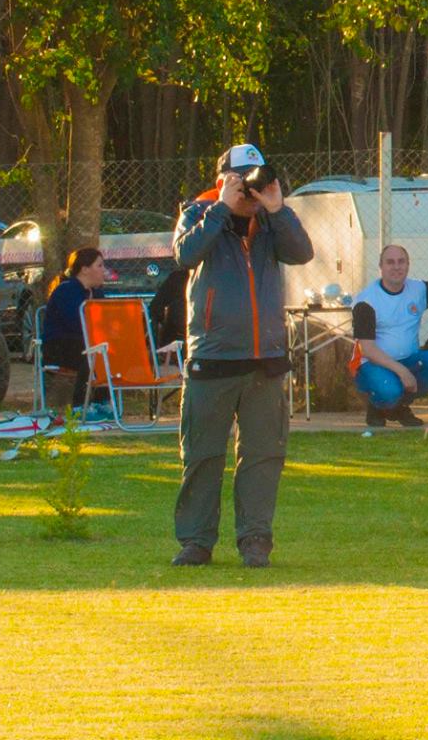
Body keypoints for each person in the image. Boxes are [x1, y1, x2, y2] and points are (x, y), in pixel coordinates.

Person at [170, 144, 314, 569]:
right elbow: (183, 256)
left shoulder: (271, 222)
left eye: (257, 179)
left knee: (264, 455)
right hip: (212, 358)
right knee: (202, 454)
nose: (252, 188)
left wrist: (278, 207)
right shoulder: (198, 213)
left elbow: (302, 252)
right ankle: (196, 541)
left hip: (264, 360)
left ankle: (255, 539)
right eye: (243, 179)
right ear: (222, 181)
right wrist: (220, 209)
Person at [350, 244, 428, 429]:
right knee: (389, 391)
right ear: (380, 267)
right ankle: (380, 405)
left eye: (401, 262)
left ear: (408, 264)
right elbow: (367, 349)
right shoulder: (366, 301)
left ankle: (398, 405)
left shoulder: (419, 288)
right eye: (390, 262)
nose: (396, 267)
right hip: (372, 365)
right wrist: (402, 372)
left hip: (409, 359)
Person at [40, 246, 108, 411]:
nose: (104, 270)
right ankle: (80, 406)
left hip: (85, 343)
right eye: (99, 266)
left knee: (105, 348)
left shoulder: (97, 293)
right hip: (59, 347)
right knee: (91, 350)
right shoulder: (67, 291)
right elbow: (76, 323)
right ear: (85, 269)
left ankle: (102, 402)